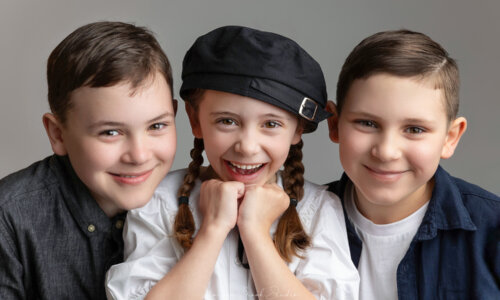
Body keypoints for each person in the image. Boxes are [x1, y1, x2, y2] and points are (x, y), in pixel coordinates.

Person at [106, 25, 359, 300]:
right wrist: (212, 229)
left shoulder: (320, 210)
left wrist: (255, 233)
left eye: (271, 124)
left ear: (297, 130)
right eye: (227, 121)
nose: (247, 147)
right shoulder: (158, 201)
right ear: (195, 119)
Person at [0, 21, 177, 299]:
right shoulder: (8, 221)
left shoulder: (195, 207)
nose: (139, 155)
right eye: (110, 132)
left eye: (156, 126)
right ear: (58, 134)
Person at [326, 29, 500, 299]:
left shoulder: (493, 230)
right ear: (335, 125)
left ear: (450, 138)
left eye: (415, 129)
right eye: (367, 123)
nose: (386, 152)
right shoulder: (296, 221)